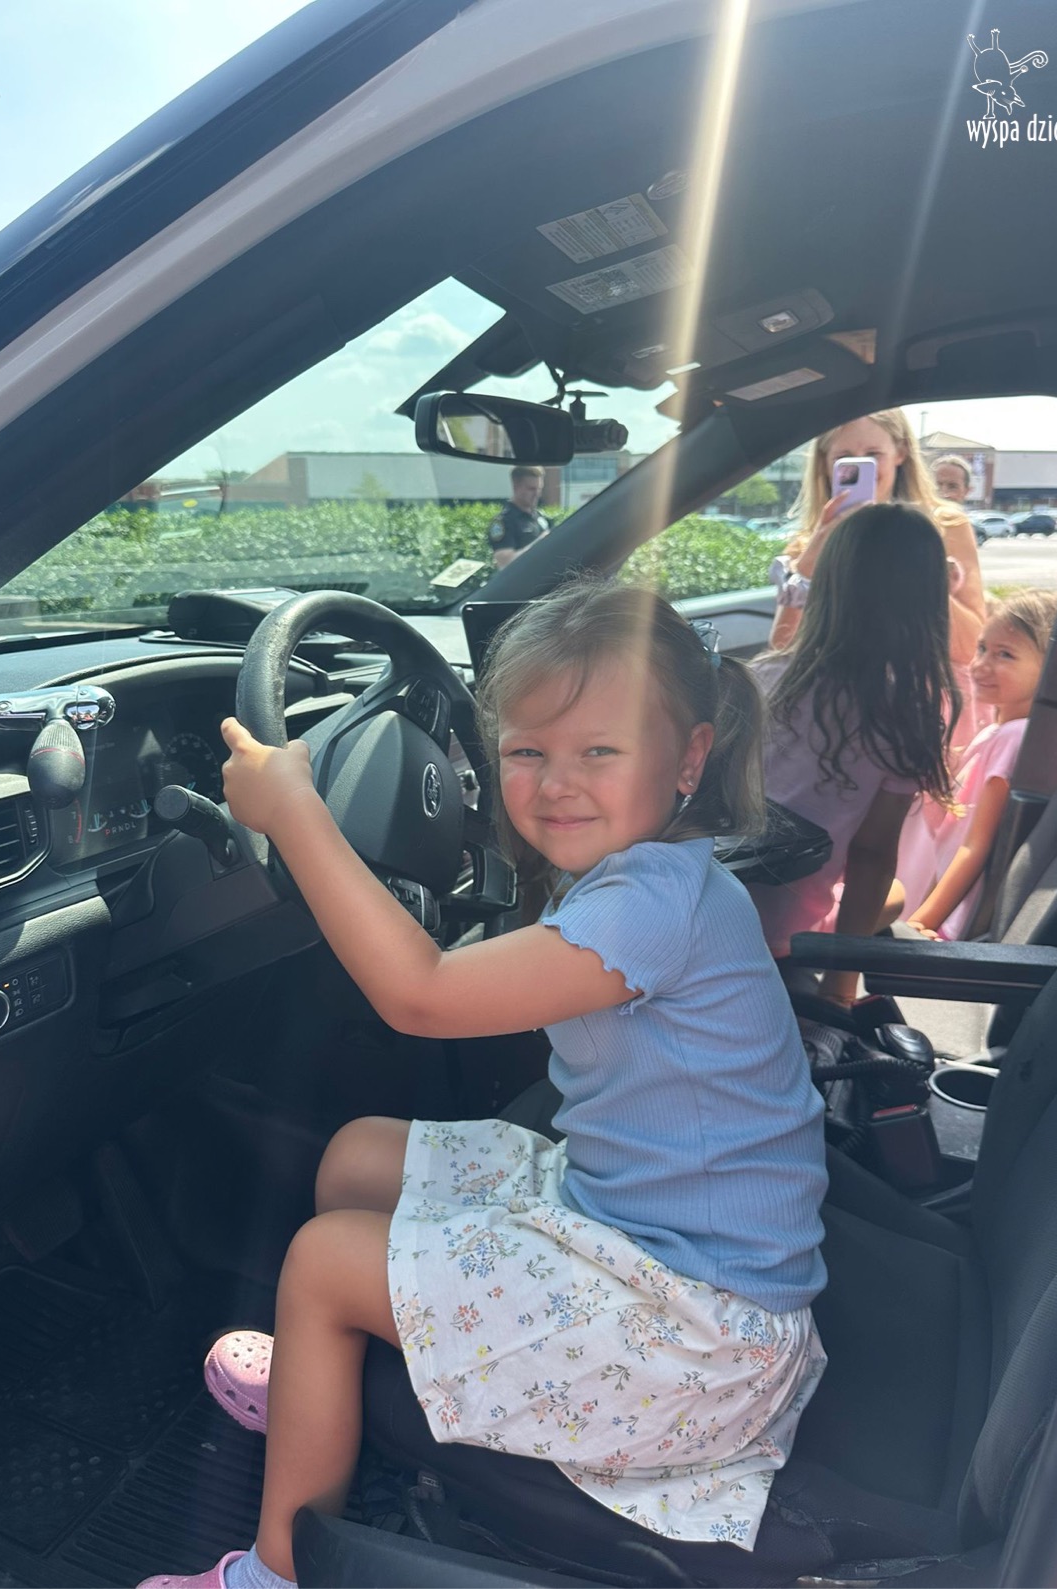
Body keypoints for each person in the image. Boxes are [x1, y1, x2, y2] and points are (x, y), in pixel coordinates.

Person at [139, 581, 828, 1589]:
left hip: (698, 1339)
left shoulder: (649, 906)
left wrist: (296, 813)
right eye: (526, 750)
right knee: (359, 1154)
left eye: (599, 750)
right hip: (646, 1234)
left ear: (688, 757)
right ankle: (321, 1382)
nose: (556, 784)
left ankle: (272, 1574)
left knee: (323, 1262)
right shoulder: (657, 873)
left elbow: (418, 993)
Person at [747, 504, 956, 1007]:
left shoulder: (761, 678)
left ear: (827, 586)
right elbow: (871, 855)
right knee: (895, 893)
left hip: (707, 904)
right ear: (928, 601)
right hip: (779, 936)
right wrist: (839, 990)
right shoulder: (903, 712)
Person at [769, 411, 985, 746]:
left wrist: (913, 562)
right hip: (842, 718)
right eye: (845, 458)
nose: (861, 468)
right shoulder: (808, 544)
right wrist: (814, 557)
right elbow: (783, 648)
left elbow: (969, 647)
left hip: (926, 713)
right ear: (825, 464)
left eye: (873, 455)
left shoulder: (945, 527)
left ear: (901, 452)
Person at [893, 589, 1057, 941]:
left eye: (1005, 655)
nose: (981, 665)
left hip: (943, 916)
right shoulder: (1002, 731)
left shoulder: (1013, 737)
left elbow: (975, 846)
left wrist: (921, 923)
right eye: (982, 648)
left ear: (1052, 667)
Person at [487, 464, 550, 567]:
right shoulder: (503, 522)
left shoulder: (539, 517)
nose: (537, 494)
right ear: (516, 487)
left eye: (539, 489)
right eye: (531, 489)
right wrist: (540, 543)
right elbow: (505, 563)